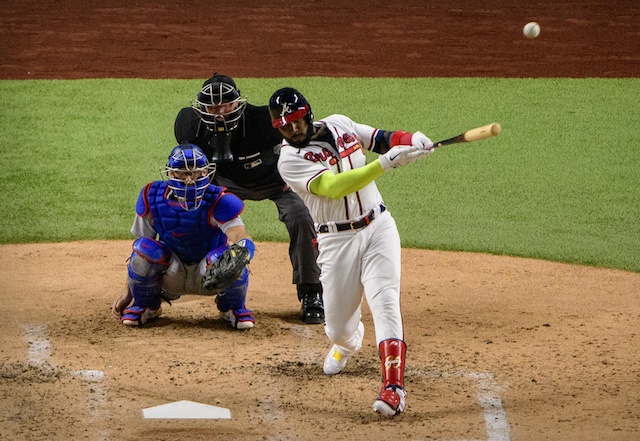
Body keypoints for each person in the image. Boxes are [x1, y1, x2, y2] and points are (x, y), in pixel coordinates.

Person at [269, 87, 434, 418]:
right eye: (284, 126)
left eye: (296, 122)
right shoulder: (289, 160)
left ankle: (393, 389)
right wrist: (384, 166)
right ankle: (346, 344)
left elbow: (378, 137)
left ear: (307, 114)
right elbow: (334, 187)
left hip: (378, 227)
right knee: (339, 328)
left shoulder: (340, 124)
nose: (292, 130)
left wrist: (411, 139)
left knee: (385, 300)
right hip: (337, 242)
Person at [173, 73, 324, 325]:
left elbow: (303, 141)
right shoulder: (190, 125)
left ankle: (311, 291)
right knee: (190, 211)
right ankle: (179, 277)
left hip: (276, 180)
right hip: (224, 184)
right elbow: (188, 164)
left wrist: (296, 173)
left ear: (238, 103)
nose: (219, 111)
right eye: (212, 105)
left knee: (302, 216)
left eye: (225, 104)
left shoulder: (263, 120)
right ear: (201, 107)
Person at [111, 144, 257, 330]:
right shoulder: (152, 196)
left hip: (209, 274)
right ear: (171, 174)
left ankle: (232, 308)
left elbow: (239, 234)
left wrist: (245, 250)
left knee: (234, 257)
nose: (189, 179)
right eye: (183, 172)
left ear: (205, 171)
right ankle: (146, 305)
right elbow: (140, 246)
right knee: (143, 250)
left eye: (195, 172)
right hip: (172, 273)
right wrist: (127, 293)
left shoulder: (219, 200)